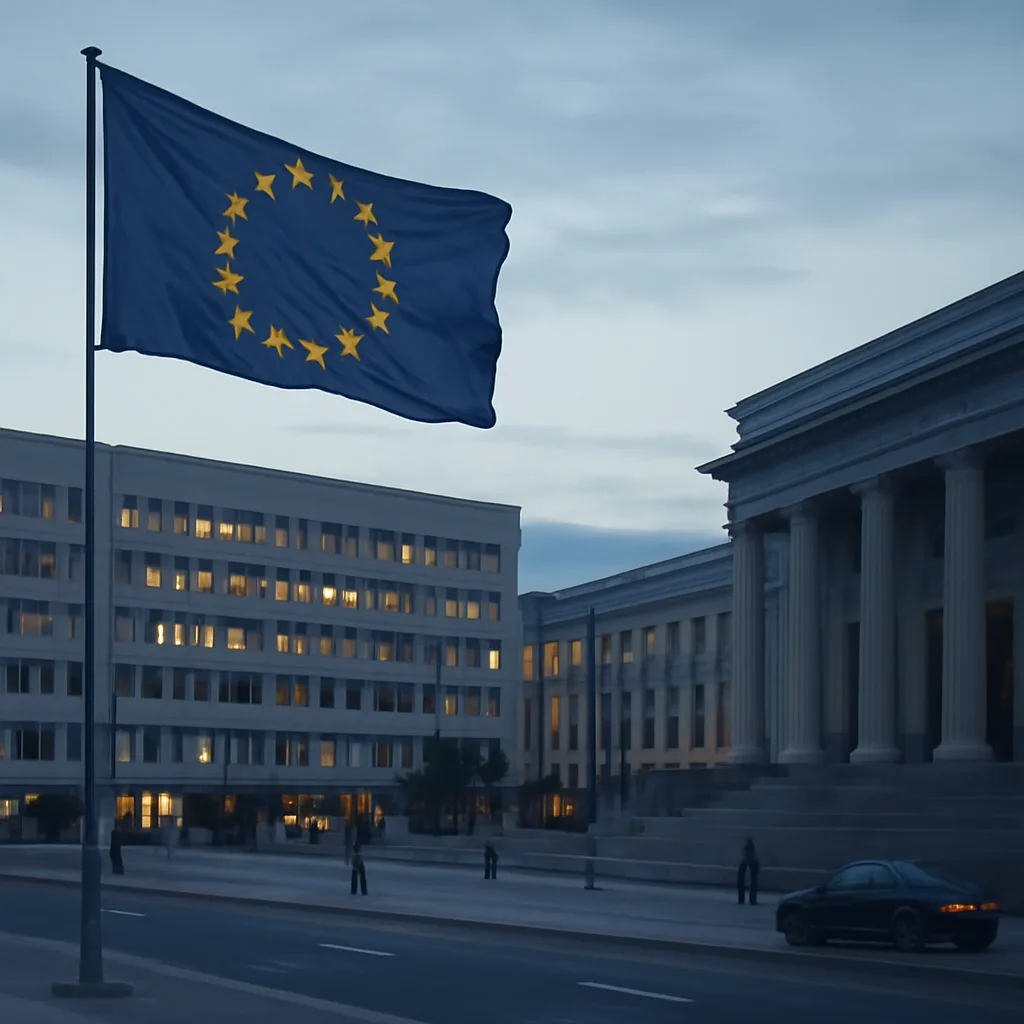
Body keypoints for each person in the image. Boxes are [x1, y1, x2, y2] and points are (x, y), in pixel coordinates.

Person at [737, 837, 759, 906]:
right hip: (751, 864)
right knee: (752, 882)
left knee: (746, 882)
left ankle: (743, 899)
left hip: (749, 864)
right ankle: (751, 899)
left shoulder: (744, 864)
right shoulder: (753, 863)